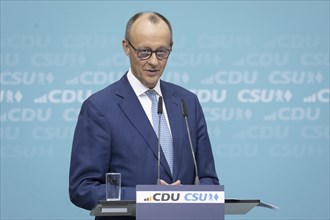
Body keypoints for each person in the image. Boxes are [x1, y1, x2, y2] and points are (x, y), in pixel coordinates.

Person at [69, 11, 219, 219]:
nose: (154, 62)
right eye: (144, 52)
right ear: (126, 47)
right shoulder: (99, 107)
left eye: (162, 52)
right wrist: (149, 197)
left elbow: (208, 179)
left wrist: (185, 196)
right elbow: (82, 188)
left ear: (171, 48)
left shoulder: (187, 102)